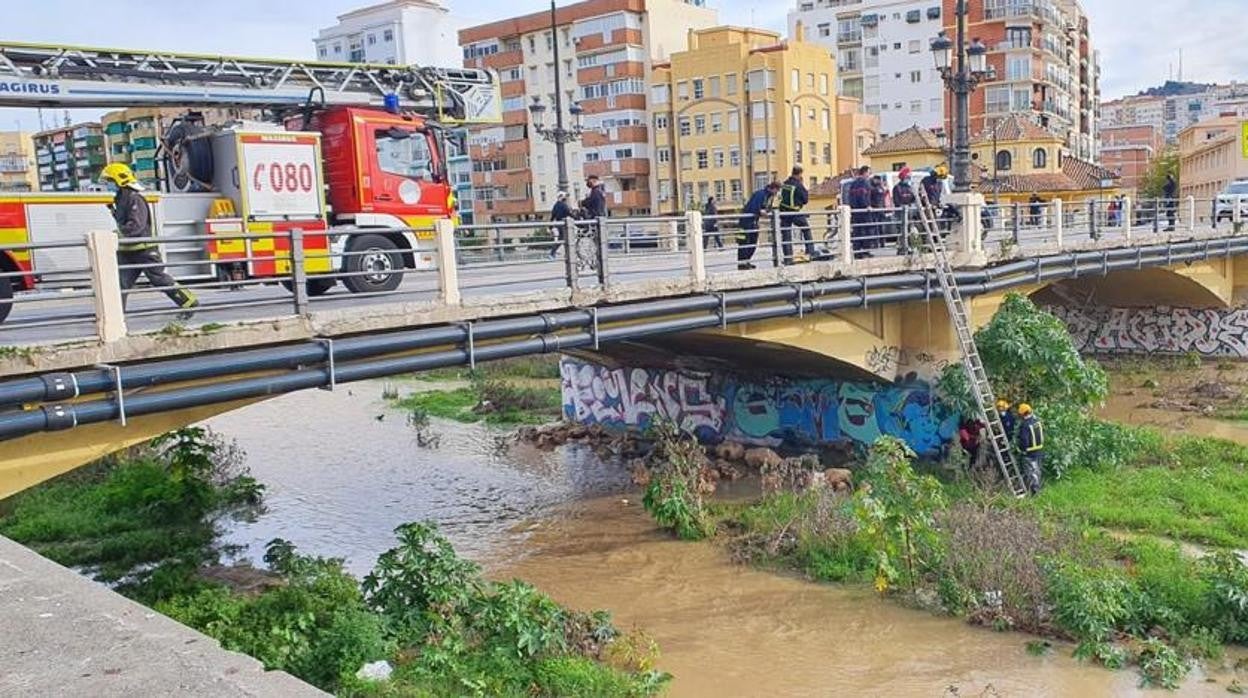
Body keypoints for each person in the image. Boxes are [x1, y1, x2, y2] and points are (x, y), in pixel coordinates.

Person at [100, 162, 197, 315]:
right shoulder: (120, 199)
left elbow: (136, 226)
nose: (107, 186)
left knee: (158, 278)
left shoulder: (135, 199)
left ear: (119, 181)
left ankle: (189, 303)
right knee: (120, 284)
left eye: (109, 182)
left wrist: (118, 234)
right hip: (127, 251)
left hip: (143, 250)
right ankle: (117, 316)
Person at [777, 166, 815, 264]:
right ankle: (811, 251)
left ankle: (788, 257)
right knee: (806, 228)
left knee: (786, 235)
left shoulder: (785, 184)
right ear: (799, 174)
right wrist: (802, 185)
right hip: (794, 212)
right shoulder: (798, 185)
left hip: (784, 213)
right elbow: (805, 199)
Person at [738, 181, 779, 270]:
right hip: (746, 222)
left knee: (753, 243)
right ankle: (742, 264)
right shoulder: (761, 194)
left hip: (754, 222)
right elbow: (755, 208)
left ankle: (746, 261)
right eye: (777, 191)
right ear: (774, 189)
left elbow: (766, 208)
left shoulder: (768, 196)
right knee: (745, 243)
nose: (776, 193)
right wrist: (762, 212)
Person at [1015, 403, 1045, 495]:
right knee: (1037, 470)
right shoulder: (1037, 421)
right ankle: (1038, 488)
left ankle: (1034, 492)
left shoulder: (1025, 425)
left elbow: (1024, 440)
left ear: (1023, 414)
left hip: (1029, 453)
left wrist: (1022, 450)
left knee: (1030, 472)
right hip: (1039, 450)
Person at [846, 165, 873, 258]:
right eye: (869, 173)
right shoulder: (864, 182)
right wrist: (867, 206)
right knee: (867, 230)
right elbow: (862, 196)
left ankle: (857, 252)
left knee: (857, 231)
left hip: (854, 211)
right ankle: (865, 251)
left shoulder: (853, 183)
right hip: (863, 211)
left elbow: (850, 197)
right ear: (865, 172)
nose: (869, 175)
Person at [892, 169, 918, 251]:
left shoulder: (909, 187)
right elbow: (896, 201)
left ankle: (910, 246)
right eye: (908, 177)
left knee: (910, 230)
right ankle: (901, 248)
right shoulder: (897, 188)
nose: (909, 179)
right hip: (901, 213)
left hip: (910, 212)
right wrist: (902, 206)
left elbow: (913, 198)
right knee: (902, 230)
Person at [548, 191, 574, 259]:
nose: (565, 198)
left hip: (558, 224)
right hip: (564, 225)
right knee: (567, 238)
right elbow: (569, 213)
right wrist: (577, 218)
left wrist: (550, 227)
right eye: (564, 196)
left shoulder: (555, 205)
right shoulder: (563, 205)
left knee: (562, 239)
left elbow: (552, 216)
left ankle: (553, 253)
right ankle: (566, 254)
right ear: (561, 197)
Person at [869, 175, 889, 249]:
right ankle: (877, 243)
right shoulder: (877, 188)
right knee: (876, 227)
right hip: (876, 209)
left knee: (880, 227)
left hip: (879, 210)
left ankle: (881, 242)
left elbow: (882, 199)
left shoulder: (877, 188)